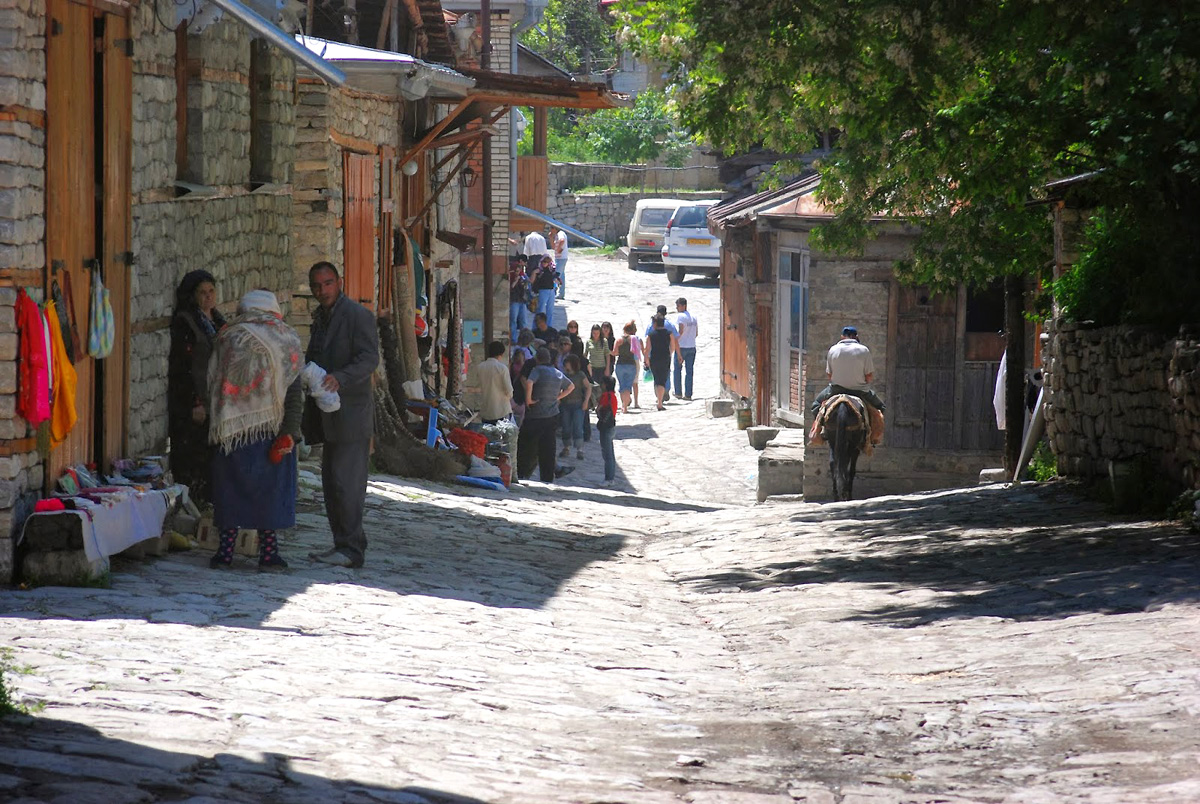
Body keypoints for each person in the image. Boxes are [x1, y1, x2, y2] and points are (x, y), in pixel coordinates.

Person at [206, 290, 302, 571]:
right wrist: (290, 430)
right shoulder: (287, 338)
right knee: (269, 492)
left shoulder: (228, 337)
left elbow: (212, 380)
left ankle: (225, 552)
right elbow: (294, 389)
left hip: (233, 429)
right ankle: (269, 554)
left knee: (229, 489)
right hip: (272, 429)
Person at [304, 261, 381, 569]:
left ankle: (350, 548)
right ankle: (345, 544)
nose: (323, 290)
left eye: (328, 283)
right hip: (328, 413)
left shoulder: (357, 316)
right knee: (332, 483)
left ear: (340, 282)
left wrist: (341, 377)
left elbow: (369, 359)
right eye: (317, 286)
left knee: (347, 484)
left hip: (351, 413)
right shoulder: (321, 318)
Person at [168, 270, 227, 503]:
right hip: (197, 401)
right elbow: (183, 368)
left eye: (211, 291)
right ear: (193, 296)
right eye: (202, 293)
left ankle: (209, 504)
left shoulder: (218, 321)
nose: (208, 297)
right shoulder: (187, 322)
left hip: (217, 400)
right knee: (194, 456)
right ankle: (195, 505)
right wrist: (195, 402)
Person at [812, 325, 885, 445]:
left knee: (815, 405)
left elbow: (829, 375)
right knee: (881, 407)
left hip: (835, 390)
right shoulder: (864, 350)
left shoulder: (833, 349)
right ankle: (872, 438)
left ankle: (820, 432)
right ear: (856, 337)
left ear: (842, 337)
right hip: (860, 391)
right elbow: (869, 377)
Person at [518, 347, 575, 483]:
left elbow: (530, 382)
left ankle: (521, 473)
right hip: (552, 415)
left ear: (537, 359)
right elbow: (571, 386)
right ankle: (547, 477)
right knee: (548, 448)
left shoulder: (537, 370)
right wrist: (558, 397)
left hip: (535, 415)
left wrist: (529, 399)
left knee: (527, 447)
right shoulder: (557, 373)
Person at [558, 354, 590, 460]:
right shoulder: (563, 375)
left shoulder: (580, 375)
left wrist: (586, 401)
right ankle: (566, 447)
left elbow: (588, 387)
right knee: (566, 427)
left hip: (578, 404)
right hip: (565, 404)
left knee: (578, 427)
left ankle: (579, 449)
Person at [644, 304, 679, 400]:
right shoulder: (670, 326)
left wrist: (646, 358)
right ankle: (665, 390)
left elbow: (647, 345)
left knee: (656, 377)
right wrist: (670, 353)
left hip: (654, 356)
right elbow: (674, 343)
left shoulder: (650, 327)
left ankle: (659, 396)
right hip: (665, 356)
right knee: (665, 374)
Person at [478, 340, 514, 424]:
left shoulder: (480, 367)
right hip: (501, 411)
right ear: (501, 354)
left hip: (486, 410)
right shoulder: (502, 368)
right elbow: (509, 391)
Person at [673, 297, 698, 401]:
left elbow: (681, 330)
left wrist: (675, 340)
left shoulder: (680, 317)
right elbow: (696, 333)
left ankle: (678, 392)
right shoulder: (694, 317)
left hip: (681, 346)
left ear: (683, 306)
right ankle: (688, 394)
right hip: (692, 346)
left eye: (678, 306)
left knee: (677, 370)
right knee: (689, 371)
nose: (677, 308)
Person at [595, 375, 619, 485]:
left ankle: (609, 478)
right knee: (611, 454)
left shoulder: (605, 395)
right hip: (611, 425)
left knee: (607, 455)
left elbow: (599, 408)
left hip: (605, 426)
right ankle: (611, 477)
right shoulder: (613, 396)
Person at [612, 321, 640, 414]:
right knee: (628, 386)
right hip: (631, 364)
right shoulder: (633, 339)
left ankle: (623, 405)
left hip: (620, 364)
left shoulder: (618, 340)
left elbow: (615, 353)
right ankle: (625, 407)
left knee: (622, 385)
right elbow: (636, 351)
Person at [508, 256, 532, 343]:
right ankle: (514, 339)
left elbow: (527, 285)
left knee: (523, 321)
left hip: (522, 300)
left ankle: (524, 339)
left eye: (519, 271)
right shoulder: (511, 277)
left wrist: (523, 281)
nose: (518, 273)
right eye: (517, 271)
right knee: (513, 320)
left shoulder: (523, 276)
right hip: (514, 301)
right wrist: (515, 280)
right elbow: (510, 288)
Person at [530, 253, 558, 320]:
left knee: (550, 311)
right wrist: (534, 273)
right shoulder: (538, 270)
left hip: (551, 291)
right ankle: (536, 327)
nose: (545, 263)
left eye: (547, 262)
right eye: (544, 261)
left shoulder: (551, 270)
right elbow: (531, 281)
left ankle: (549, 327)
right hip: (542, 291)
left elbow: (554, 279)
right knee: (540, 311)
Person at [552, 226, 569, 300]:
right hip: (559, 258)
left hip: (561, 257)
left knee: (556, 275)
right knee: (561, 276)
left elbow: (562, 240)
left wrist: (559, 249)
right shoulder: (556, 236)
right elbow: (553, 247)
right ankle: (561, 293)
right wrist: (550, 237)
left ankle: (554, 292)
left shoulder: (560, 234)